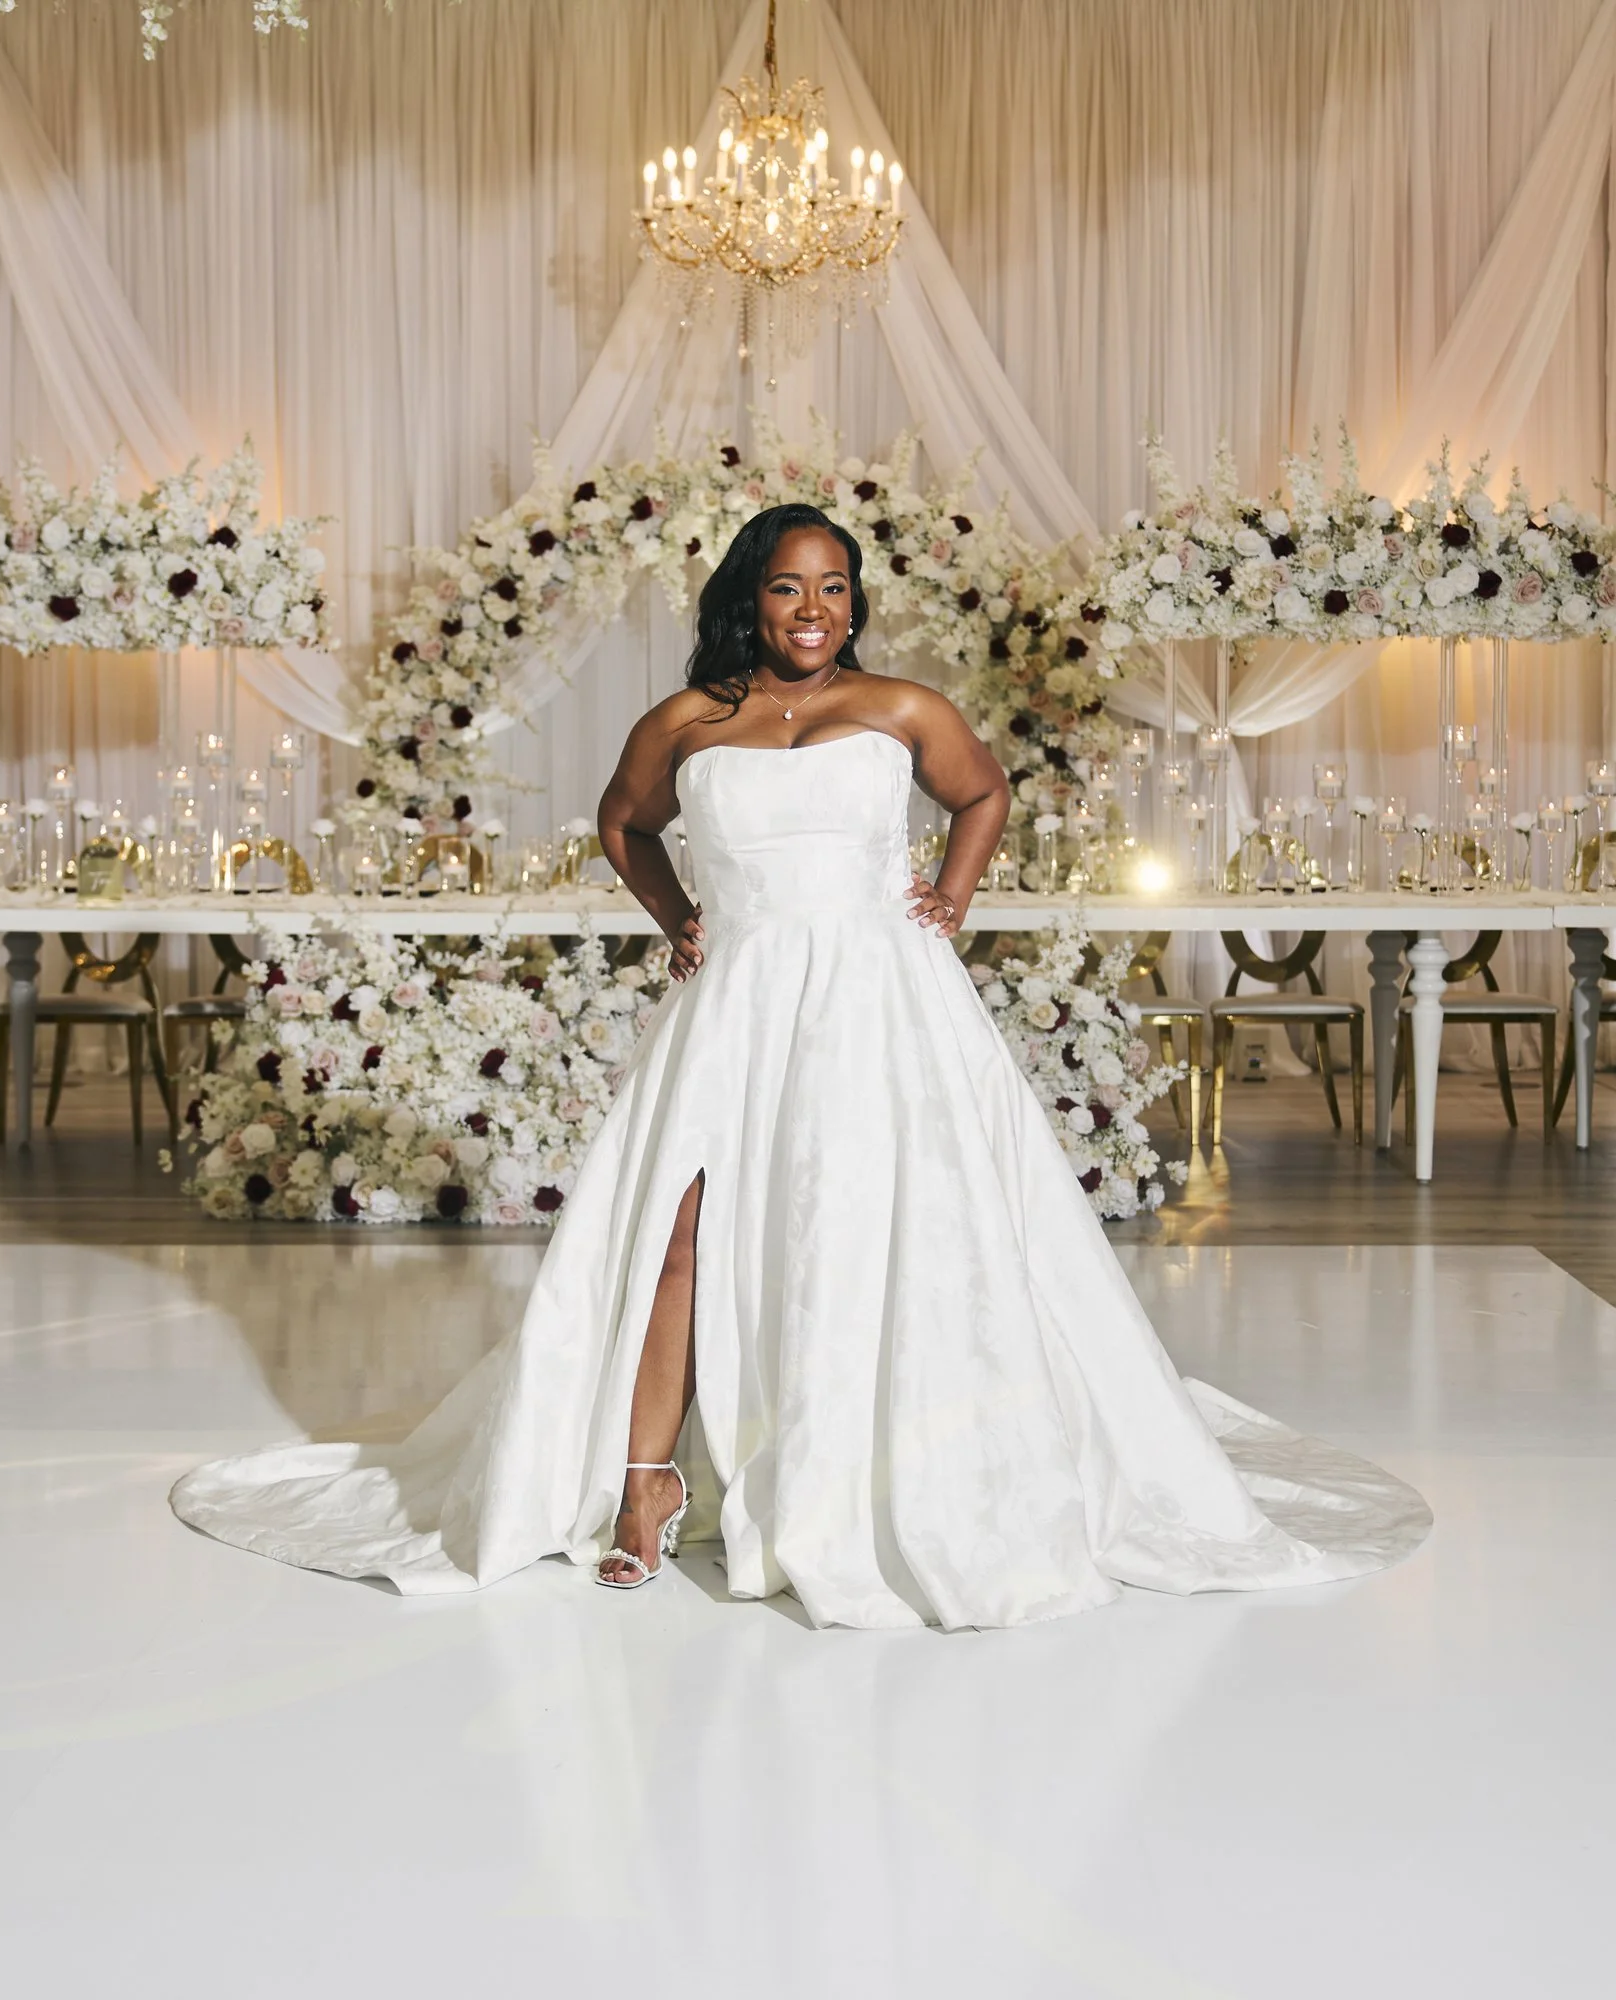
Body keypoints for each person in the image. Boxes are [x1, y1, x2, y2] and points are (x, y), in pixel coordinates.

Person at [171, 503, 1427, 1628]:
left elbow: (982, 795)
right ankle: (643, 1483)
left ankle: (887, 1474)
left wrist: (949, 894)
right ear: (747, 598)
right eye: (788, 587)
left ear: (854, 603)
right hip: (739, 999)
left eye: (834, 588)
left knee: (878, 1227)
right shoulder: (687, 720)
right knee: (677, 1237)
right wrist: (678, 919)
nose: (814, 610)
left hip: (881, 999)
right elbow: (620, 824)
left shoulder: (901, 709)